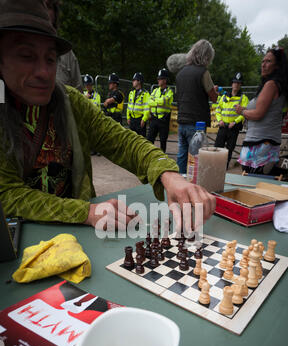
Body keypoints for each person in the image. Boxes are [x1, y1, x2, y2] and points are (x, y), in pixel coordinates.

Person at [0, 0, 216, 233]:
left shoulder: (70, 101)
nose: (44, 72)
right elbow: (7, 194)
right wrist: (87, 212)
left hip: (77, 236)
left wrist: (167, 172)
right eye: (26, 55)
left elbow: (123, 141)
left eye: (51, 58)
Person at [235, 48, 288, 174]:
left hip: (260, 145)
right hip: (262, 144)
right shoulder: (276, 85)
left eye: (268, 61)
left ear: (277, 66)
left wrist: (242, 112)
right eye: (263, 61)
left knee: (253, 185)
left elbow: (258, 114)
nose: (263, 64)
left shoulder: (271, 85)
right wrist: (246, 110)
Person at [175, 40, 218, 174]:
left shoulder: (180, 73)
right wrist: (214, 90)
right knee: (195, 157)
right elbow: (214, 97)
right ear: (206, 56)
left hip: (182, 120)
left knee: (182, 155)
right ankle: (194, 186)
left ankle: (180, 182)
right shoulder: (203, 72)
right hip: (197, 123)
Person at [45, 0, 83, 93]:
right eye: (27, 56)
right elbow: (1, 97)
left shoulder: (67, 54)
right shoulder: (6, 48)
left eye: (48, 6)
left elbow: (78, 95)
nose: (43, 73)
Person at [214, 73, 249, 168]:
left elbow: (244, 113)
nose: (236, 85)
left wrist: (235, 122)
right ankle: (215, 166)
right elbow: (218, 110)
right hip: (222, 126)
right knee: (217, 148)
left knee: (229, 150)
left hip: (234, 128)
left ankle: (224, 168)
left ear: (240, 85)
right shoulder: (224, 96)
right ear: (232, 84)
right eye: (235, 82)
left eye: (238, 83)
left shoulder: (244, 98)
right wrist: (219, 120)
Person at [147, 68, 173, 153]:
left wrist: (155, 101)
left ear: (165, 80)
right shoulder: (155, 91)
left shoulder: (170, 92)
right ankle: (150, 156)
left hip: (164, 119)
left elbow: (164, 102)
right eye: (158, 78)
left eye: (160, 79)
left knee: (163, 140)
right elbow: (149, 102)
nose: (158, 80)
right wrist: (158, 102)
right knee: (150, 138)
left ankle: (162, 158)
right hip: (154, 118)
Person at [127, 72, 150, 137]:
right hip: (132, 120)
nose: (132, 82)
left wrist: (144, 119)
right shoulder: (131, 93)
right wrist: (128, 117)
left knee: (141, 140)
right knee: (132, 139)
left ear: (139, 81)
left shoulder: (145, 94)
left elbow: (147, 108)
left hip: (140, 120)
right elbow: (129, 106)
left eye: (134, 80)